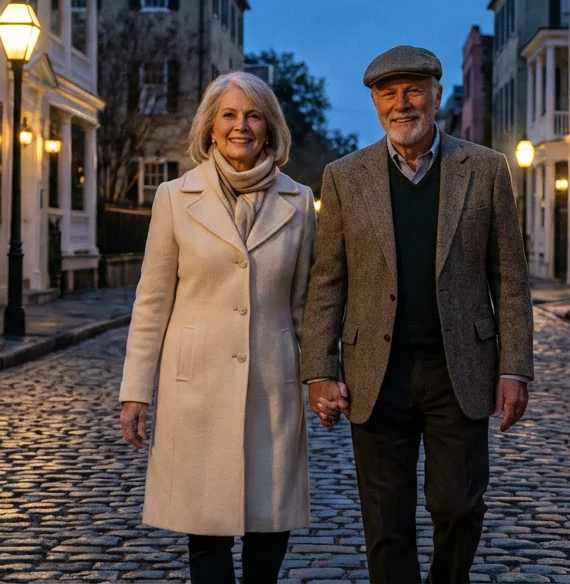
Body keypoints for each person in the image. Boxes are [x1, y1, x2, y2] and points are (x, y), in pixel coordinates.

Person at [300, 45, 534, 583]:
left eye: (413, 91)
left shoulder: (485, 169)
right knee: (385, 524)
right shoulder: (344, 177)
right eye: (388, 93)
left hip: (461, 371)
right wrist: (320, 369)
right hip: (375, 376)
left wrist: (514, 367)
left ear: (437, 95)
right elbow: (326, 280)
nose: (401, 104)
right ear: (376, 103)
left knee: (459, 507)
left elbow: (511, 280)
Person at [120, 71, 316, 584]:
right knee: (205, 534)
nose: (240, 126)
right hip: (197, 388)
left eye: (252, 115)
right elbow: (152, 301)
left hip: (272, 384)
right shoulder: (173, 198)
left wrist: (319, 377)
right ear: (210, 128)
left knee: (269, 527)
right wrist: (135, 391)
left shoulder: (299, 204)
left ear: (270, 128)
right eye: (228, 115)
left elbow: (305, 306)